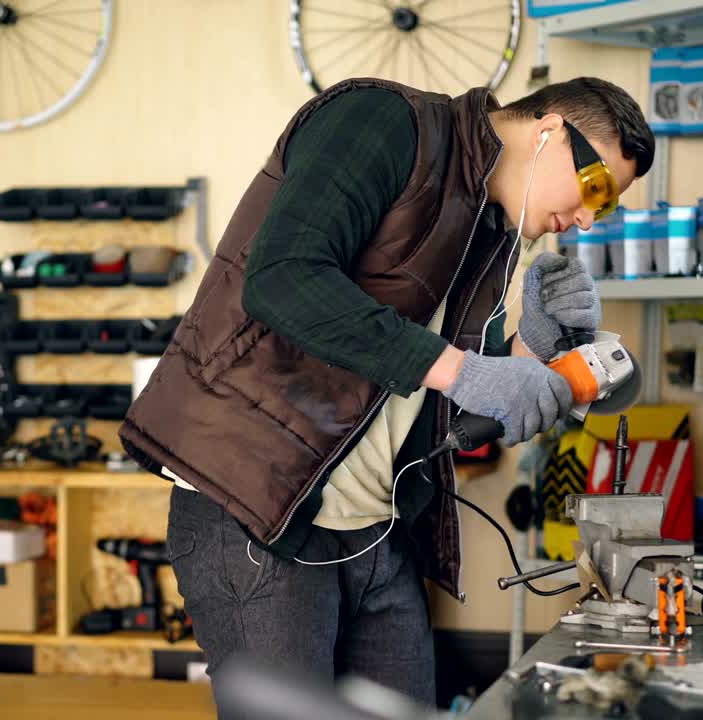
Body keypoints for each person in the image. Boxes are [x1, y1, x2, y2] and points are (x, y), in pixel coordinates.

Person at [119, 76, 654, 713]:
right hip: (258, 513)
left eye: (608, 206)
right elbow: (284, 279)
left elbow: (425, 393)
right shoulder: (386, 121)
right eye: (595, 189)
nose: (590, 218)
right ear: (551, 131)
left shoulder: (490, 228)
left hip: (375, 530)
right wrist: (468, 372)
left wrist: (529, 348)